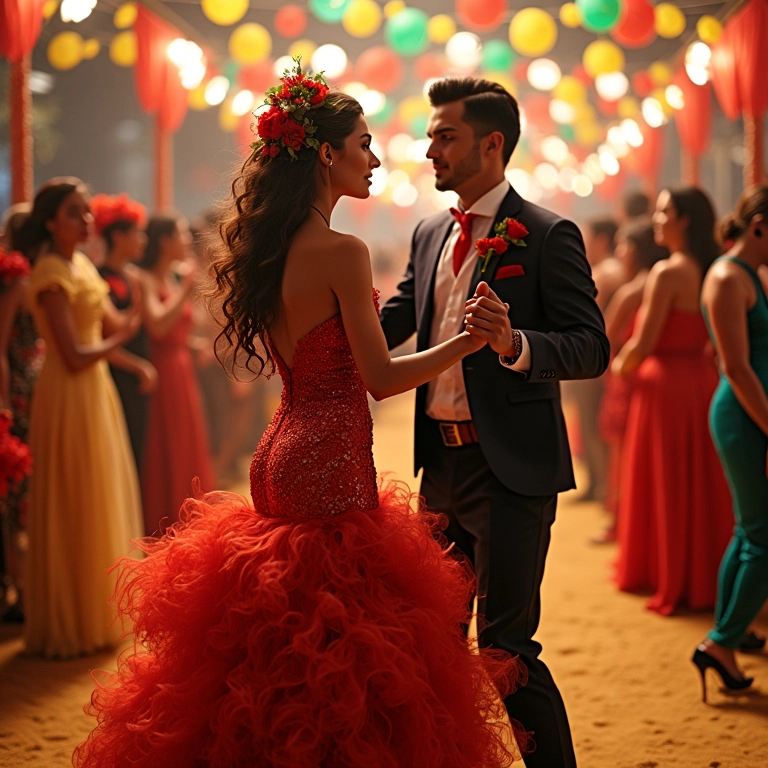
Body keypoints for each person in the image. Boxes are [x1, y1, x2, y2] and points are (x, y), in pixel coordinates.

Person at [73, 64, 529, 767]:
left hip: (280, 448)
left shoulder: (276, 249)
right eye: (364, 144)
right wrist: (467, 343)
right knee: (336, 651)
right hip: (326, 458)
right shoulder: (342, 252)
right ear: (325, 153)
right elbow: (379, 379)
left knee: (273, 644)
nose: (376, 160)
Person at [380, 76, 609, 768]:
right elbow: (394, 319)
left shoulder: (545, 234)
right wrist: (312, 318)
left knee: (507, 651)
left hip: (511, 470)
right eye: (430, 135)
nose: (429, 150)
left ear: (492, 143)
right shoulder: (427, 233)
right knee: (434, 644)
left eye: (443, 135)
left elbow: (591, 345)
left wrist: (516, 346)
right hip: (440, 468)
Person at [19, 178, 144, 658]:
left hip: (96, 390)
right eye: (75, 212)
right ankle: (72, 618)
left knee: (98, 492)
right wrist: (120, 344)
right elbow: (72, 354)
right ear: (51, 221)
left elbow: (114, 324)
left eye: (87, 212)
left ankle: (98, 609)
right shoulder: (51, 270)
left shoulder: (85, 266)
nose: (86, 221)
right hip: (70, 389)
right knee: (75, 495)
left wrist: (130, 332)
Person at [613, 187, 733, 615]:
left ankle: (669, 573)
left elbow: (641, 345)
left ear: (683, 220)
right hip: (701, 383)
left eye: (664, 212)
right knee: (702, 483)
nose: (657, 219)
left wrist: (618, 368)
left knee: (668, 482)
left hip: (664, 390)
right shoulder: (715, 267)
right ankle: (703, 575)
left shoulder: (667, 272)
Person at [694, 184, 768, 699]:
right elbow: (736, 367)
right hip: (745, 415)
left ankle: (727, 636)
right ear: (760, 223)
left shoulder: (746, 275)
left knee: (751, 532)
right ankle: (723, 639)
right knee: (763, 537)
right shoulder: (726, 276)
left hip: (752, 411)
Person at [136, 214, 214, 535]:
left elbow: (187, 325)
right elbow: (156, 325)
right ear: (165, 241)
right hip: (163, 370)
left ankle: (189, 516)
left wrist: (195, 343)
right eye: (181, 232)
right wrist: (185, 290)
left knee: (188, 441)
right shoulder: (145, 279)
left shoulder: (173, 278)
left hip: (182, 366)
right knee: (167, 444)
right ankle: (166, 517)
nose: (186, 239)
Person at [593, 218, 669, 543]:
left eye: (624, 245)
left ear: (635, 250)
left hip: (626, 376)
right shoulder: (659, 281)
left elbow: (603, 337)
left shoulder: (633, 289)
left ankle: (619, 520)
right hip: (654, 376)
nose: (620, 252)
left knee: (622, 453)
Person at [0, 206, 44, 621]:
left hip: (39, 387)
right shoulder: (16, 282)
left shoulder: (38, 277)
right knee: (20, 495)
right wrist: (5, 405)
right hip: (22, 394)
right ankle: (21, 588)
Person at [92, 194, 157, 472]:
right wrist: (138, 366)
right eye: (137, 234)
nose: (143, 241)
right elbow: (103, 339)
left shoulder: (131, 277)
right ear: (118, 236)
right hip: (118, 379)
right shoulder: (102, 278)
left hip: (134, 379)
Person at [567, 217, 621, 504]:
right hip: (608, 356)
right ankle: (600, 486)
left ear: (601, 239)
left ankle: (602, 488)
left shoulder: (605, 273)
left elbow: (585, 315)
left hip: (595, 357)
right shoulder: (615, 270)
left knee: (594, 423)